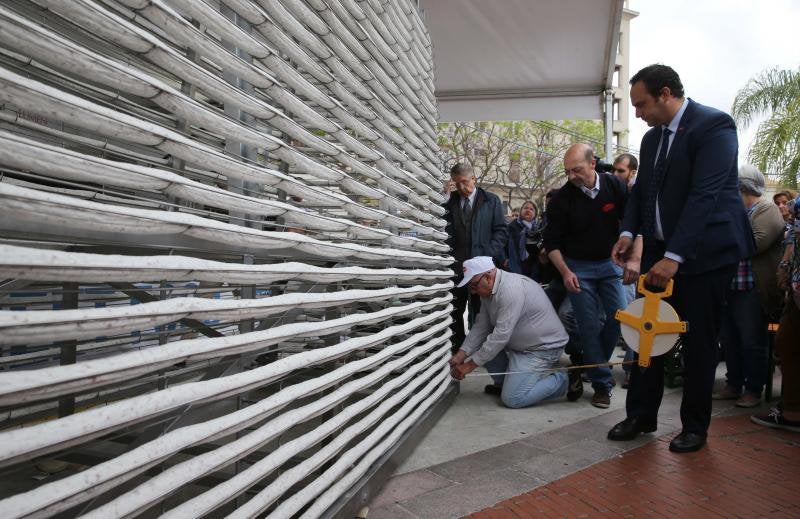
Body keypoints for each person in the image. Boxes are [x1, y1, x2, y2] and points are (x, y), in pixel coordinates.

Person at [608, 64, 753, 453]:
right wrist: (627, 233)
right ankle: (641, 414)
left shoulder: (715, 126)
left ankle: (694, 426)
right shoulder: (653, 140)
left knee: (699, 344)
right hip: (658, 254)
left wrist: (674, 256)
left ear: (666, 93)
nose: (637, 113)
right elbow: (641, 195)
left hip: (703, 257)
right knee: (645, 335)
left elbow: (703, 196)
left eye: (641, 104)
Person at [543, 143, 631, 409]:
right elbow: (552, 244)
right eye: (567, 171)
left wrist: (632, 256)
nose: (572, 177)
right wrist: (566, 272)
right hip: (577, 268)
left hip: (610, 264)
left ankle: (592, 365)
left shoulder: (615, 186)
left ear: (593, 164)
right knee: (588, 326)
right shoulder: (561, 199)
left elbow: (632, 222)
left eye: (577, 170)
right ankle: (602, 385)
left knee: (620, 319)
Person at [448, 257, 583, 408]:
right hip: (521, 346)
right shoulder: (488, 291)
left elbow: (500, 336)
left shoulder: (510, 290)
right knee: (484, 341)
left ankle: (566, 379)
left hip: (541, 349)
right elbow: (481, 326)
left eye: (473, 286)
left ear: (488, 276)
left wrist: (468, 366)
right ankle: (505, 384)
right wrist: (461, 354)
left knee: (513, 399)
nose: (473, 292)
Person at [715, 165, 785, 407]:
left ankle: (753, 389)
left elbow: (753, 244)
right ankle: (733, 384)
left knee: (752, 340)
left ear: (742, 187)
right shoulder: (735, 211)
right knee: (730, 339)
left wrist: (722, 239)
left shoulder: (767, 209)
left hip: (752, 289)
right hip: (729, 286)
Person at [443, 163, 508, 354]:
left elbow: (501, 231)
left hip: (482, 268)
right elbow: (441, 228)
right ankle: (459, 348)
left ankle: (483, 350)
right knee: (455, 309)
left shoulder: (492, 200)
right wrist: (444, 199)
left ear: (474, 179)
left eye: (464, 182)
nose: (462, 187)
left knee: (483, 311)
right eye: (457, 184)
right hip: (456, 267)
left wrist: (488, 253)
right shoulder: (450, 201)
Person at [752, 195, 800, 432]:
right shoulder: (797, 207)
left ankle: (792, 410)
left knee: (787, 342)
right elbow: (793, 236)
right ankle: (791, 410)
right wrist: (785, 269)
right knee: (785, 342)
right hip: (795, 287)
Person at [506, 200, 541, 280]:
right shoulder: (512, 226)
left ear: (535, 214)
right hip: (515, 267)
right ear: (521, 211)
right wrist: (504, 258)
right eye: (525, 208)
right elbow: (503, 244)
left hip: (533, 269)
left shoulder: (539, 228)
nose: (528, 210)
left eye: (531, 209)